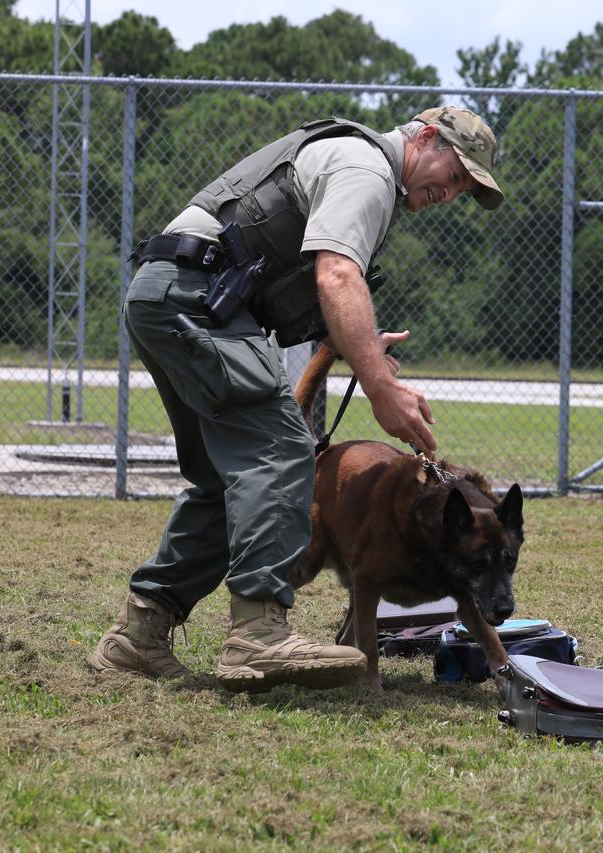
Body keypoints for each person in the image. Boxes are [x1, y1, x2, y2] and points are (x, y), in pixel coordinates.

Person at [88, 106, 504, 691]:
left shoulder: (363, 171)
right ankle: (258, 633)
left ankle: (139, 636)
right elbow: (338, 275)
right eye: (456, 174)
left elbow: (315, 289)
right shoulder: (368, 170)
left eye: (464, 187)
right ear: (427, 138)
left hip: (172, 296)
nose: (452, 193)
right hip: (195, 300)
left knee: (222, 480)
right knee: (282, 447)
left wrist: (356, 347)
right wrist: (381, 387)